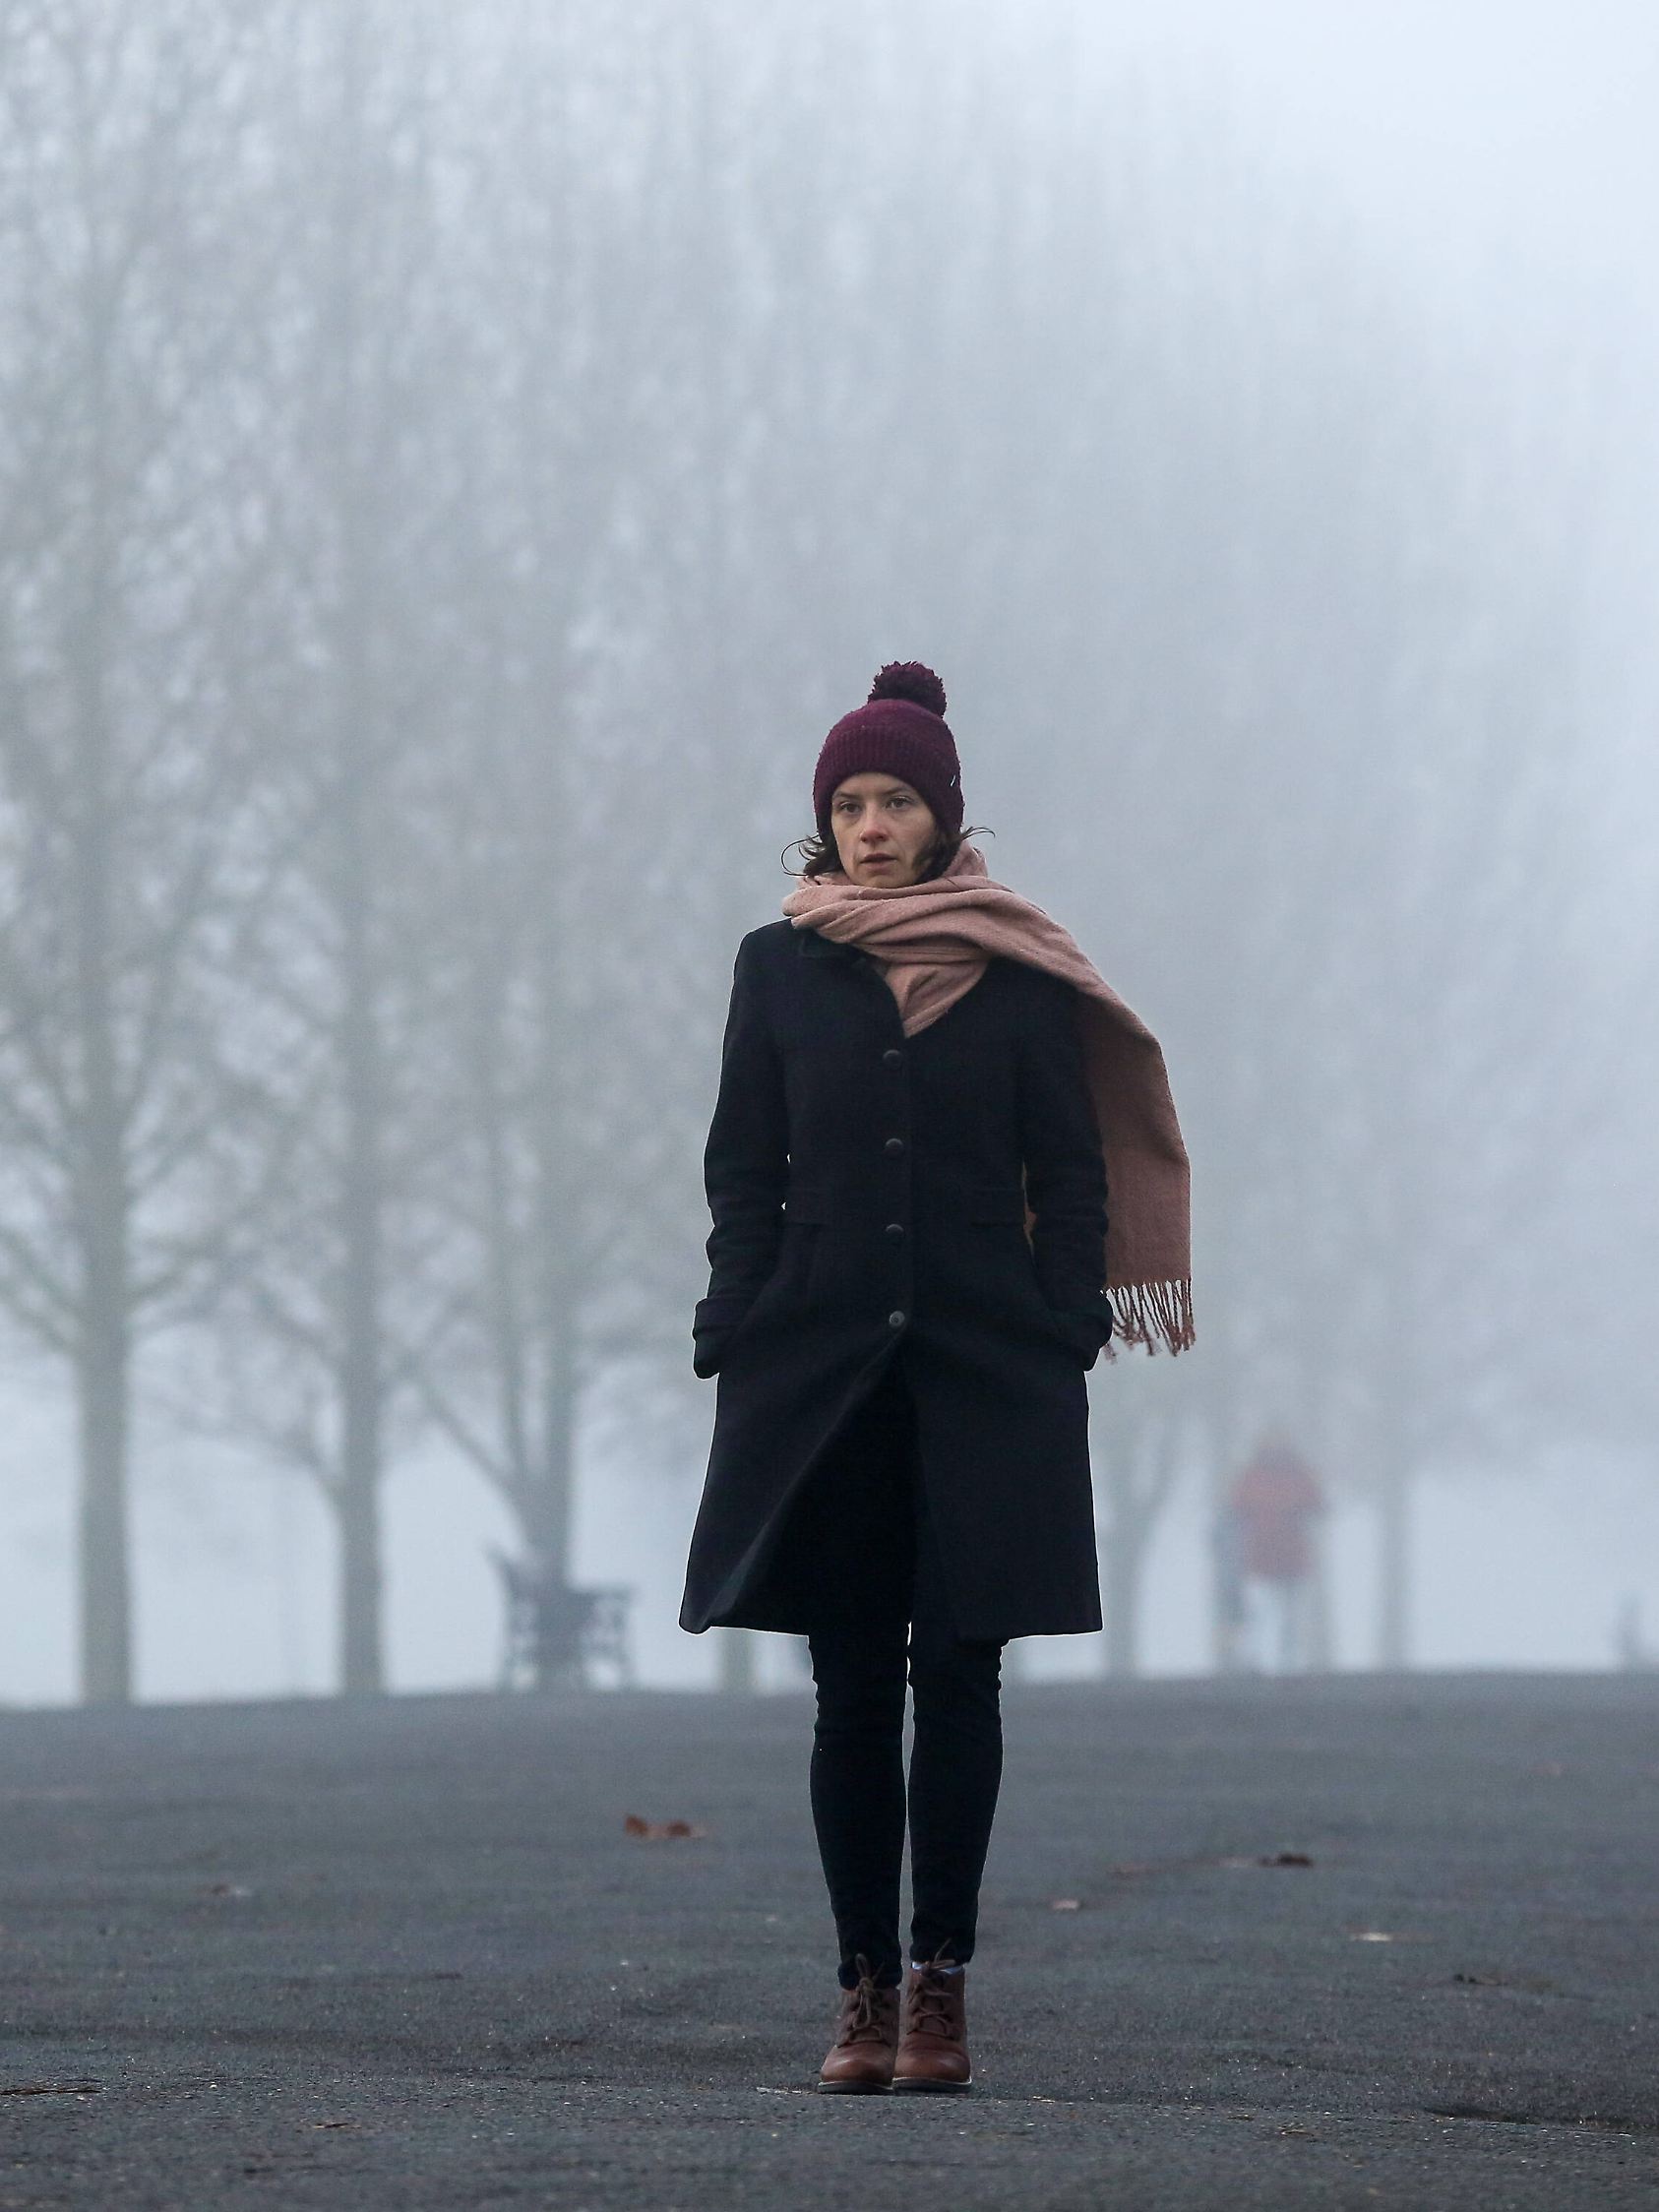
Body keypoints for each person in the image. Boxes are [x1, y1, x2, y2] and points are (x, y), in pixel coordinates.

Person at [680, 663, 1193, 2093]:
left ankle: (939, 1987)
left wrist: (1063, 1319)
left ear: (940, 815)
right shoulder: (775, 967)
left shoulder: (1022, 973)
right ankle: (856, 1991)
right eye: (846, 802)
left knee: (958, 1680)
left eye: (894, 800)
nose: (867, 825)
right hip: (818, 1367)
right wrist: (739, 1308)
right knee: (850, 1688)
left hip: (987, 1369)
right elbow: (743, 1161)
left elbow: (1069, 1165)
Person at [1227, 1438, 1325, 1672]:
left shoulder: (1287, 1476)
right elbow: (1236, 1508)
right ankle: (1253, 1658)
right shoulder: (1260, 1476)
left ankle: (1287, 1662)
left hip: (1287, 1558)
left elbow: (1317, 1505)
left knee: (1288, 1614)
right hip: (1265, 1558)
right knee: (1259, 1611)